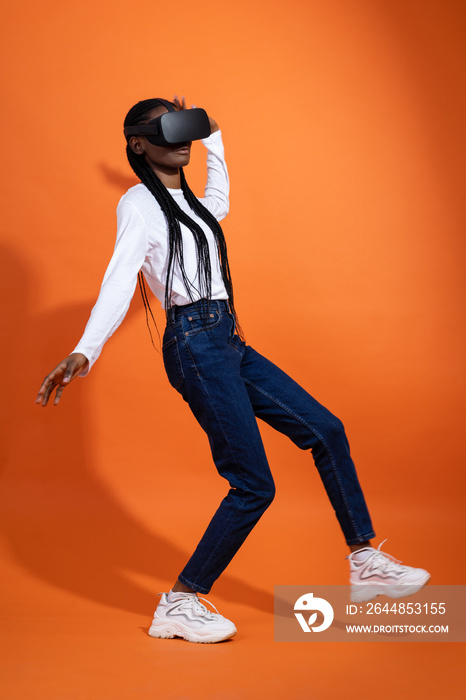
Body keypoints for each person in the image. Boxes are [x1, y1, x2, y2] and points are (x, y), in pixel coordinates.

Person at [36, 96, 430, 644]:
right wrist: (87, 348)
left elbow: (218, 199)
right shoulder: (137, 205)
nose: (180, 139)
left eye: (184, 129)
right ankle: (180, 601)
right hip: (195, 345)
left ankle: (364, 561)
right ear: (138, 144)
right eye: (165, 130)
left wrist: (214, 135)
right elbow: (120, 278)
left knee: (326, 430)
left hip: (227, 339)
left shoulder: (193, 204)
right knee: (253, 485)